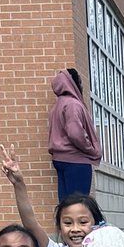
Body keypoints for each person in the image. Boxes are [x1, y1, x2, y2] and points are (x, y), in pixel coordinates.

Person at [2, 145, 102, 247]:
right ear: (60, 228)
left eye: (83, 222)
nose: (75, 229)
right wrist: (19, 184)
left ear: (96, 225)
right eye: (68, 223)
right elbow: (30, 223)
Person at [47, 68, 102, 199]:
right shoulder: (72, 104)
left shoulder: (57, 106)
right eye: (80, 82)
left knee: (66, 206)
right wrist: (91, 149)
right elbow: (75, 133)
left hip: (60, 159)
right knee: (79, 204)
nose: (81, 85)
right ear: (73, 83)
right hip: (76, 160)